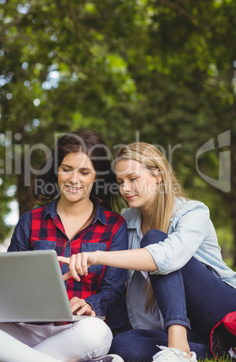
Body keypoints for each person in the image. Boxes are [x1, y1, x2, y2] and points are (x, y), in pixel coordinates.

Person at [59, 142, 236, 362]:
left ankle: (179, 347)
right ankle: (218, 351)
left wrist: (96, 255)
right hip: (182, 328)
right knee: (122, 344)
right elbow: (117, 284)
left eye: (133, 179)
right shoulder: (126, 221)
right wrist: (90, 303)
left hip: (222, 312)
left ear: (158, 175)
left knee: (154, 240)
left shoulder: (193, 212)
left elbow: (167, 257)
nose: (125, 189)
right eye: (120, 182)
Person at [0, 129, 128, 362]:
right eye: (66, 169)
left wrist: (91, 304)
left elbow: (113, 290)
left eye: (84, 172)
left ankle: (5, 356)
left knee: (98, 333)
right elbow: (9, 283)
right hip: (24, 329)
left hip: (77, 332)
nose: (74, 179)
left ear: (97, 176)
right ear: (56, 170)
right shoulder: (30, 221)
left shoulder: (115, 226)